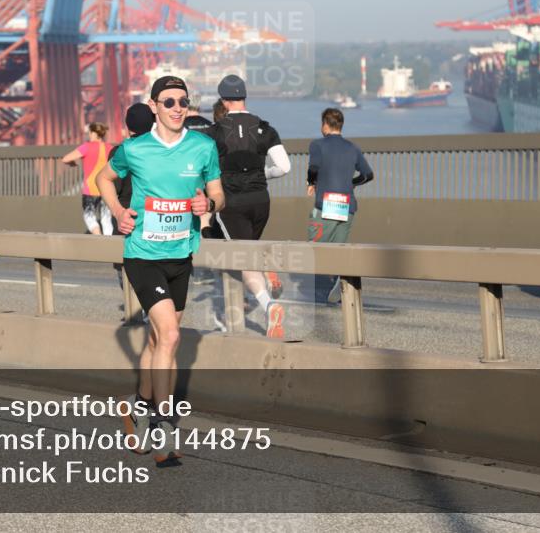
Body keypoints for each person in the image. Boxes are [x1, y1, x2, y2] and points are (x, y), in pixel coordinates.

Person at [96, 75, 224, 467]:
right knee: (170, 334)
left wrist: (211, 206)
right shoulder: (134, 149)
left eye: (183, 101)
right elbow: (103, 177)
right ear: (153, 106)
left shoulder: (203, 146)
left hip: (181, 254)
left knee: (157, 342)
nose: (177, 108)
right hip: (142, 254)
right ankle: (163, 423)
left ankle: (137, 404)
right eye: (168, 102)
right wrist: (118, 211)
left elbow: (218, 192)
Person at [206, 74, 291, 338]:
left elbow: (203, 168)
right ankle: (264, 272)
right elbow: (285, 167)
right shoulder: (265, 128)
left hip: (232, 202)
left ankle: (269, 305)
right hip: (261, 201)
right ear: (245, 96)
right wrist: (259, 175)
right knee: (249, 251)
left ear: (223, 99)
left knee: (242, 259)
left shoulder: (215, 132)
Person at [306, 108, 374, 304]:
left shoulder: (317, 145)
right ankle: (338, 284)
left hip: (325, 204)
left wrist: (311, 182)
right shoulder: (352, 148)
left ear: (325, 125)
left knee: (317, 250)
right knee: (338, 250)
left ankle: (320, 293)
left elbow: (313, 168)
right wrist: (351, 183)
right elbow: (368, 175)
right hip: (346, 205)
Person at [110, 103, 156, 290]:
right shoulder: (161, 151)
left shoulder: (119, 151)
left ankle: (135, 307)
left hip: (126, 215)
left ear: (127, 125)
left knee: (126, 265)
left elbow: (113, 186)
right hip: (154, 214)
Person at [61, 122, 113, 235]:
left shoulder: (86, 147)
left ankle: (98, 239)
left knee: (89, 217)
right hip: (106, 189)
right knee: (106, 219)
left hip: (90, 190)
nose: (89, 135)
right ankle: (109, 244)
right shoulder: (110, 148)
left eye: (89, 133)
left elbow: (65, 159)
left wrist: (72, 163)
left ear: (94, 133)